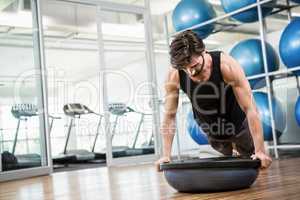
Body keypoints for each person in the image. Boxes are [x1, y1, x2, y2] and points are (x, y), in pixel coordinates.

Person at [156, 30, 272, 170]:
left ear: (203, 51)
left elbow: (250, 108)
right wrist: (166, 155)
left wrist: (260, 151)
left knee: (256, 166)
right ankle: (231, 149)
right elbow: (169, 115)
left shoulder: (226, 65)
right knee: (225, 170)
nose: (190, 73)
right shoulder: (174, 74)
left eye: (194, 66)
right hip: (212, 129)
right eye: (184, 69)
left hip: (238, 123)